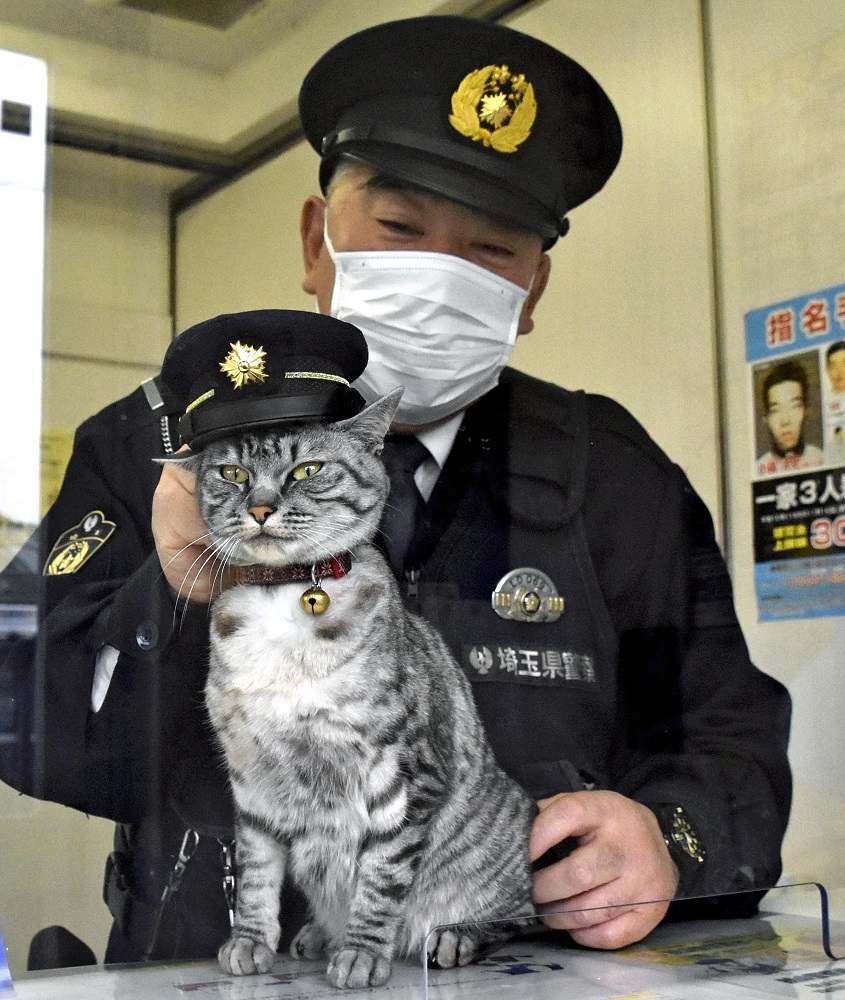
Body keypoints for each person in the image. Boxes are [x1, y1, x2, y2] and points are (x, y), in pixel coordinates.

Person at [0, 15, 790, 967]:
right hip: (209, 973)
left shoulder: (612, 474)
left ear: (532, 291)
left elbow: (727, 738)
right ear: (316, 237)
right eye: (400, 229)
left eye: (492, 252)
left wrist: (669, 837)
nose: (440, 278)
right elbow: (26, 725)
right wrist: (177, 586)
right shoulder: (162, 441)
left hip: (515, 976)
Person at [756, 359, 823, 477]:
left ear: (806, 410)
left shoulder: (822, 459)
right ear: (766, 418)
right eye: (775, 410)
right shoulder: (758, 469)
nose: (785, 421)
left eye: (794, 406)